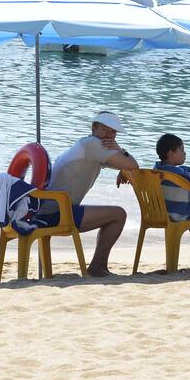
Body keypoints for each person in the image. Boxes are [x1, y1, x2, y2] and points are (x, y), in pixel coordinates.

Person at [45, 111, 136, 277]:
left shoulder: (86, 144)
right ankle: (97, 267)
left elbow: (124, 165)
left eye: (113, 132)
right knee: (118, 215)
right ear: (94, 127)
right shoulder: (94, 144)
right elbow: (133, 165)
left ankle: (98, 267)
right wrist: (119, 149)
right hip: (57, 213)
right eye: (106, 130)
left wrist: (122, 167)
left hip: (48, 209)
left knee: (115, 214)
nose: (109, 135)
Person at [154, 133, 190, 260]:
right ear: (171, 153)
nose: (185, 153)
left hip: (159, 214)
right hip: (177, 214)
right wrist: (185, 171)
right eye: (182, 150)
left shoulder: (156, 171)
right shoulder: (179, 174)